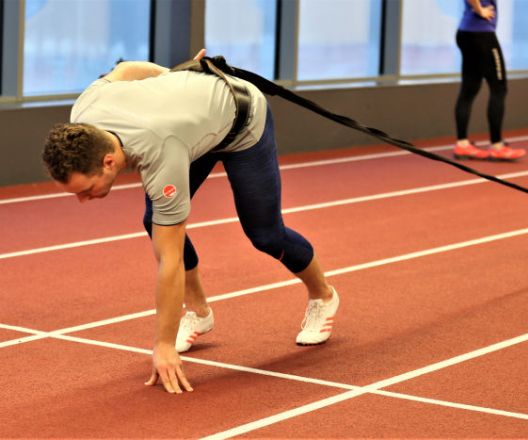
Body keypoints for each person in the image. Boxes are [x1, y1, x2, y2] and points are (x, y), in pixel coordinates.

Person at [41, 49, 340, 394]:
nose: (83, 200)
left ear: (109, 162)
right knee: (155, 220)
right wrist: (175, 80)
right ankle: (199, 312)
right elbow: (124, 70)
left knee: (265, 234)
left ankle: (323, 295)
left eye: (86, 189)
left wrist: (163, 345)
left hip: (241, 121)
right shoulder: (84, 112)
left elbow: (170, 260)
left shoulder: (159, 147)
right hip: (191, 127)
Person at [453, 0, 526, 161]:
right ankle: (497, 146)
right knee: (499, 88)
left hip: (467, 32)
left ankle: (462, 144)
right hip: (481, 35)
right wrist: (479, 10)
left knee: (469, 89)